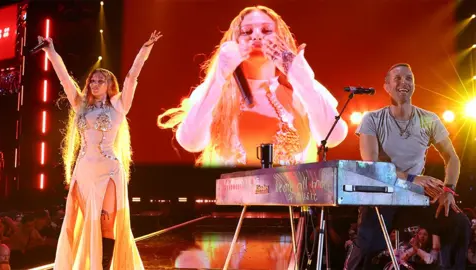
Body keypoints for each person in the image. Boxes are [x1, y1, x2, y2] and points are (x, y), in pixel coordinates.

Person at [157, 5, 347, 167]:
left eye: (266, 31)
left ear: (281, 38)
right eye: (247, 32)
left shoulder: (302, 90)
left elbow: (333, 137)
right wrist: (219, 77)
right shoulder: (214, 93)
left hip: (291, 207)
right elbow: (190, 142)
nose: (256, 36)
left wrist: (300, 77)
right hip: (233, 208)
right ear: (234, 41)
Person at [40, 30, 162, 269]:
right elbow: (65, 79)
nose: (94, 84)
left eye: (100, 81)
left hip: (108, 170)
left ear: (109, 85)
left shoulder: (119, 104)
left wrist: (144, 50)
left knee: (107, 222)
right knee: (82, 222)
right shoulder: (80, 105)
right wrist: (51, 52)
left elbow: (132, 77)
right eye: (92, 81)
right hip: (84, 170)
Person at [344, 63, 471, 270]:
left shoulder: (429, 119)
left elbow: (452, 157)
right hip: (382, 195)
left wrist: (448, 189)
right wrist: (412, 177)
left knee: (458, 223)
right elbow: (372, 167)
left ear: (414, 85)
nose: (404, 82)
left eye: (409, 78)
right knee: (368, 245)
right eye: (398, 78)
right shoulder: (372, 119)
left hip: (413, 196)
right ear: (386, 86)